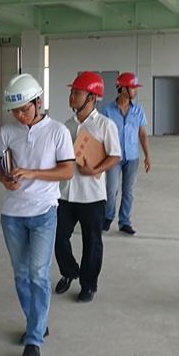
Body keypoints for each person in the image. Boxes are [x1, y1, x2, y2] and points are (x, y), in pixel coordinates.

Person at [0, 73, 75, 356]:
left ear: (38, 102)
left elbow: (67, 171)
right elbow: (1, 168)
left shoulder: (57, 132)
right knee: (21, 275)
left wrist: (32, 173)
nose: (20, 115)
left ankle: (33, 340)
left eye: (24, 109)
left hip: (44, 212)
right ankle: (37, 322)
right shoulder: (7, 132)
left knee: (38, 274)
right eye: (15, 111)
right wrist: (6, 180)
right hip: (12, 215)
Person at [54, 72, 121, 302]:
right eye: (72, 92)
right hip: (65, 194)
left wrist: (96, 170)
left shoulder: (105, 125)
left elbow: (115, 156)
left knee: (92, 243)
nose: (71, 96)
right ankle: (69, 271)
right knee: (57, 237)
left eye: (77, 93)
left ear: (92, 97)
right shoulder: (66, 126)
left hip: (92, 196)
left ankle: (88, 284)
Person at [101, 72, 152, 235]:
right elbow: (101, 134)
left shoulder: (138, 110)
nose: (135, 91)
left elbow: (142, 134)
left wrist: (147, 156)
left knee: (128, 191)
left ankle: (125, 222)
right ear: (123, 89)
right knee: (112, 190)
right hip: (113, 157)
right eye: (133, 88)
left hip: (132, 157)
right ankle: (107, 217)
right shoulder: (107, 110)